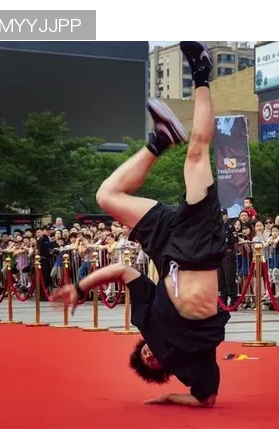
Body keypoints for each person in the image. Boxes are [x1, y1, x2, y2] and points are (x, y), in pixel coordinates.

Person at [51, 41, 229, 408]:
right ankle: (201, 76)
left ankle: (159, 140)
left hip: (167, 251)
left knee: (106, 196)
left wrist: (81, 288)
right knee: (196, 156)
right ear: (162, 370)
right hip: (199, 249)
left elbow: (122, 270)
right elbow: (207, 398)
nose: (149, 353)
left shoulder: (147, 320)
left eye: (143, 352)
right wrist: (170, 397)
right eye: (152, 362)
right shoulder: (189, 365)